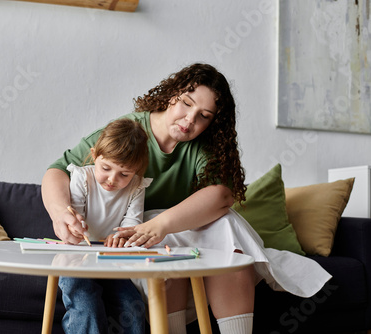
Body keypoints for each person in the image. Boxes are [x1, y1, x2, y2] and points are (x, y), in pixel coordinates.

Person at [42, 63, 331, 334]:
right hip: (132, 239)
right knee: (169, 242)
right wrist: (61, 214)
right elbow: (58, 171)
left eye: (204, 116)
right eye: (186, 104)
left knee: (227, 230)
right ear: (171, 95)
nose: (189, 120)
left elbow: (222, 195)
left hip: (172, 231)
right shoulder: (128, 132)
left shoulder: (203, 146)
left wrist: (162, 225)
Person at [57, 118, 152, 334]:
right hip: (76, 261)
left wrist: (122, 236)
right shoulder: (82, 177)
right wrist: (76, 225)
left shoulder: (137, 187)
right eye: (106, 168)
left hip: (111, 263)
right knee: (86, 306)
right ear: (94, 155)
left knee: (132, 308)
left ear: (136, 171)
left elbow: (132, 223)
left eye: (124, 174)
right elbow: (75, 215)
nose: (112, 179)